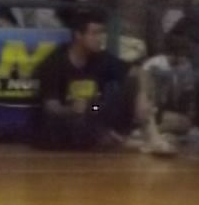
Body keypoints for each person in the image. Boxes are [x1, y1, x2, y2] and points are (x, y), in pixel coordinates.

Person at [31, 10, 130, 150]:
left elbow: (135, 71)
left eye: (101, 33)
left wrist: (142, 94)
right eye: (94, 33)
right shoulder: (54, 63)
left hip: (92, 111)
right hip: (63, 120)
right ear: (78, 35)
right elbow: (51, 107)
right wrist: (71, 109)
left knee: (129, 88)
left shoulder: (101, 58)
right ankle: (113, 137)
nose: (99, 38)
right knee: (76, 121)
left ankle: (134, 134)